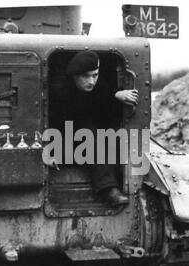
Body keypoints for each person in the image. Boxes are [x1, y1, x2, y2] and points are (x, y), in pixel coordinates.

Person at [51, 50, 139, 206]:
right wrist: (48, 151)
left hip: (91, 146)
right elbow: (52, 124)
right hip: (64, 147)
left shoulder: (98, 87)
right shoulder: (60, 93)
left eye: (95, 75)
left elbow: (103, 101)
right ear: (74, 75)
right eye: (86, 76)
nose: (91, 81)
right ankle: (108, 189)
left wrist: (117, 95)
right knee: (88, 131)